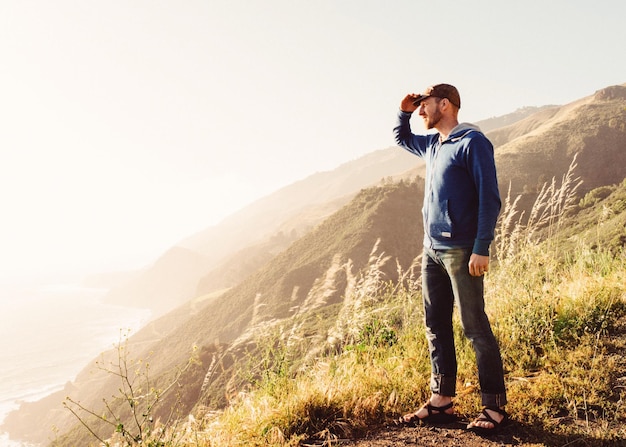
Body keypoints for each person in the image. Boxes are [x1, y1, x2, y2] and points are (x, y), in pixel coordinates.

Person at [393, 84, 508, 433]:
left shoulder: (473, 143)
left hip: (461, 251)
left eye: (425, 105)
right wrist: (404, 111)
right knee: (435, 325)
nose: (422, 111)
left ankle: (494, 406)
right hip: (432, 251)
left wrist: (481, 246)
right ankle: (441, 400)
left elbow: (490, 197)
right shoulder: (432, 145)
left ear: (446, 104)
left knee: (475, 328)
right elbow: (401, 138)